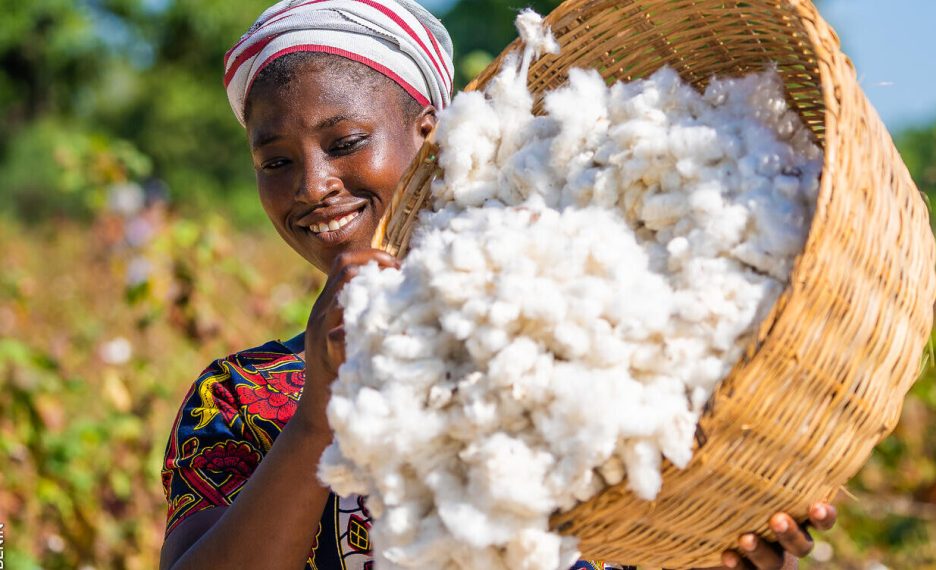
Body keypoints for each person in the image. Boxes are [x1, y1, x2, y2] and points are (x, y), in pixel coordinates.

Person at [157, 1, 837, 569]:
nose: (312, 185)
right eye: (276, 160)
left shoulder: (595, 342)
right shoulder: (244, 399)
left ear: (429, 135)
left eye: (344, 142)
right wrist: (318, 413)